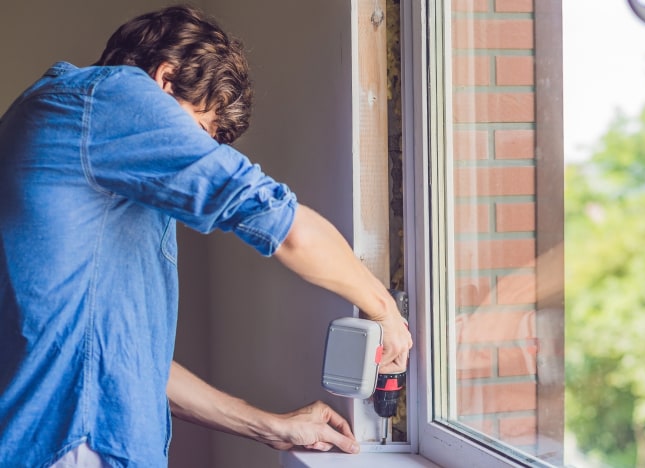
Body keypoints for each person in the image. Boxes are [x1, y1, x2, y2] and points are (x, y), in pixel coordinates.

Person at [0, 5, 412, 467]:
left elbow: (130, 364)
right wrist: (385, 310)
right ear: (164, 79)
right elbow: (277, 219)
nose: (194, 154)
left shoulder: (61, 119)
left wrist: (269, 426)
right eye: (197, 131)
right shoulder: (113, 97)